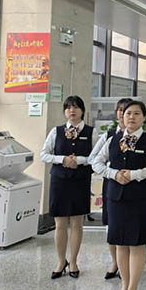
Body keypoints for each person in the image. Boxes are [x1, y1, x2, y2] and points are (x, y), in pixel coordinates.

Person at [93, 101, 146, 290]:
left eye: (136, 113)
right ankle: (124, 286)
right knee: (120, 243)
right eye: (128, 113)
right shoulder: (113, 139)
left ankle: (133, 289)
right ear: (122, 117)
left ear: (144, 118)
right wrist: (114, 174)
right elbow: (96, 162)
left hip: (140, 198)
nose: (131, 117)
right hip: (116, 198)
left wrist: (134, 175)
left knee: (136, 243)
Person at [41, 95, 98, 280]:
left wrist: (79, 160)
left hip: (80, 181)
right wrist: (62, 159)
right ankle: (60, 261)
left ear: (82, 110)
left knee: (77, 223)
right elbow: (44, 154)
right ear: (65, 112)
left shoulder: (91, 132)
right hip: (59, 181)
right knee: (60, 223)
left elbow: (97, 157)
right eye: (68, 108)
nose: (72, 111)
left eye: (75, 107)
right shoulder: (56, 131)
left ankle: (73, 261)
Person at [89, 97, 132, 280]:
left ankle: (129, 265)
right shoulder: (109, 136)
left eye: (127, 110)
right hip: (112, 184)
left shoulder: (141, 136)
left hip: (132, 186)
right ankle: (115, 262)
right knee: (112, 226)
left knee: (130, 224)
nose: (123, 113)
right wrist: (112, 171)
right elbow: (93, 159)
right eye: (120, 110)